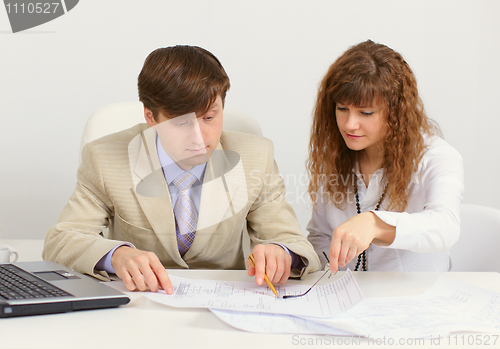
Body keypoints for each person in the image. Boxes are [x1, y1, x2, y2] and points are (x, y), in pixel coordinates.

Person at [43, 45, 320, 293]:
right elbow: (60, 241)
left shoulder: (256, 157)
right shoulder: (105, 158)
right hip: (138, 307)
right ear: (151, 117)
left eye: (210, 117)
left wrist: (281, 253)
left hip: (225, 306)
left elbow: (296, 244)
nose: (200, 138)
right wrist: (116, 255)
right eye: (181, 123)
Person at [306, 40, 464, 272]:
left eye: (366, 112)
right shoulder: (336, 156)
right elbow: (320, 234)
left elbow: (446, 226)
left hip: (417, 297)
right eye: (342, 109)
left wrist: (376, 224)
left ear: (397, 112)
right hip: (350, 298)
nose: (350, 124)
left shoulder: (437, 157)